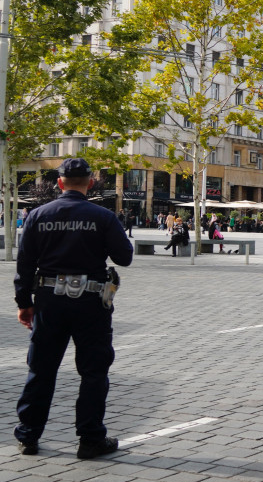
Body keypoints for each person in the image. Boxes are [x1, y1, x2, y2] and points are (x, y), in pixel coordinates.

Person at [13, 158, 133, 459]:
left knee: (40, 370)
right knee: (93, 372)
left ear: (60, 182)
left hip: (49, 301)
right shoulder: (102, 216)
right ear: (90, 183)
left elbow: (24, 265)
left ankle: (28, 436)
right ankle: (90, 439)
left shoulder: (38, 215)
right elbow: (124, 257)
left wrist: (24, 304)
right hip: (91, 303)